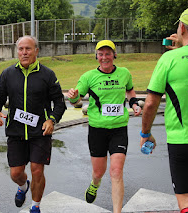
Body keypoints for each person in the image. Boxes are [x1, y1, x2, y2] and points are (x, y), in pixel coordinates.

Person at [140, 6, 188, 213]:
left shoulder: (169, 59)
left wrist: (145, 133)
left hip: (183, 141)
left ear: (181, 27)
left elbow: (149, 104)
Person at [0, 35, 66, 213]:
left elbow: (59, 102)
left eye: (28, 49)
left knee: (37, 170)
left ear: (36, 51)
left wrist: (52, 119)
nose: (24, 52)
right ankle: (23, 186)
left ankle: (35, 206)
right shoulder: (8, 74)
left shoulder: (47, 74)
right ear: (17, 51)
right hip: (16, 131)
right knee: (16, 173)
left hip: (40, 131)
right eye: (21, 49)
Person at [67, 40, 141, 213]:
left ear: (115, 55)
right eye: (101, 54)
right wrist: (72, 96)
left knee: (116, 171)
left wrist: (134, 103)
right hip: (97, 129)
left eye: (108, 53)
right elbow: (76, 100)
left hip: (119, 128)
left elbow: (130, 90)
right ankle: (95, 184)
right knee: (98, 172)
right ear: (96, 57)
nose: (104, 57)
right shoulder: (89, 77)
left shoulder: (124, 73)